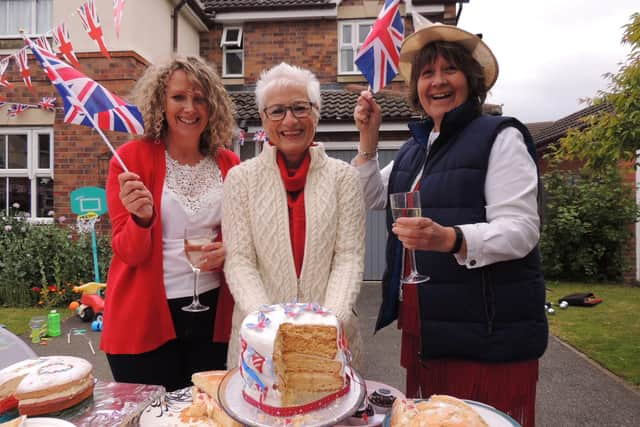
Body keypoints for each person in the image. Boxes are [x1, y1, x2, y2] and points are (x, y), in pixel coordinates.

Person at [352, 14, 547, 427]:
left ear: (472, 81)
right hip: (428, 329)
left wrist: (452, 239)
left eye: (450, 70)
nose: (437, 81)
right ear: (416, 87)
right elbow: (370, 197)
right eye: (427, 73)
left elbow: (522, 230)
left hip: (486, 334)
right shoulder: (414, 150)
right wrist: (368, 145)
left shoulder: (500, 136)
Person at [101, 56, 240, 391]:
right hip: (144, 319)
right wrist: (142, 219)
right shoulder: (131, 159)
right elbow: (128, 252)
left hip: (214, 315)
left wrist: (229, 250)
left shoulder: (230, 163)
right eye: (178, 97)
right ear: (160, 103)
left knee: (205, 412)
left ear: (212, 106)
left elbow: (245, 235)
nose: (189, 108)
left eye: (199, 98)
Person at [222, 63, 366, 370]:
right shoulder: (240, 179)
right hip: (260, 344)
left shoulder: (345, 178)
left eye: (300, 108)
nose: (290, 120)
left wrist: (329, 324)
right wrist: (270, 327)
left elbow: (348, 257)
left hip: (331, 341)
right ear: (263, 118)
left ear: (316, 112)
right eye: (277, 111)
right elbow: (239, 260)